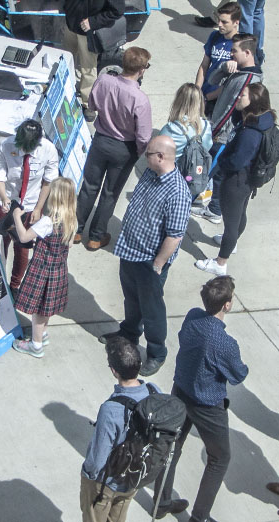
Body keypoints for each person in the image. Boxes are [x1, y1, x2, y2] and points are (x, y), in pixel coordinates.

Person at [153, 276, 248, 522]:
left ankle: (161, 503)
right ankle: (199, 517)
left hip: (181, 392)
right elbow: (238, 375)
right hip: (208, 406)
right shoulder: (225, 344)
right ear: (226, 305)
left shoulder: (193, 317)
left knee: (171, 449)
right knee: (219, 458)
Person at [99, 136, 191, 377]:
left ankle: (156, 352)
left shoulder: (178, 192)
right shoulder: (151, 174)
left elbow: (174, 235)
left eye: (149, 153)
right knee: (131, 299)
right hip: (130, 251)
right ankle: (128, 333)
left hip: (150, 262)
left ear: (161, 157)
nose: (145, 157)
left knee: (152, 311)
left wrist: (158, 264)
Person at [74, 47, 152, 251]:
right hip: (124, 149)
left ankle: (75, 229)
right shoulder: (140, 99)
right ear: (142, 70)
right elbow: (143, 136)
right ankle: (96, 236)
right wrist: (138, 151)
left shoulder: (104, 80)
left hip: (100, 140)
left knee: (89, 186)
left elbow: (92, 104)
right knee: (110, 193)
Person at [195, 83, 274, 276]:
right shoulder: (262, 120)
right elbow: (237, 119)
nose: (238, 98)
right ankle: (232, 242)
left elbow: (237, 160)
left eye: (243, 96)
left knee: (231, 222)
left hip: (236, 181)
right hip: (247, 181)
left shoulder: (250, 134)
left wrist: (222, 160)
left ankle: (220, 263)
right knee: (239, 215)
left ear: (253, 102)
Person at [80, 337, 162, 522]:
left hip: (106, 483)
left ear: (114, 371)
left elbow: (99, 457)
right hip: (132, 479)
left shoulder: (111, 410)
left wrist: (87, 475)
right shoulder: (153, 391)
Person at [192, 32, 262, 225]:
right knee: (217, 173)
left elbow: (232, 109)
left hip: (223, 135)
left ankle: (192, 203)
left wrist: (216, 133)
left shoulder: (249, 80)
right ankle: (214, 208)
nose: (231, 54)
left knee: (205, 172)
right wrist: (224, 67)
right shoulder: (237, 72)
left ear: (247, 53)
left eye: (234, 51)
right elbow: (213, 80)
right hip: (219, 131)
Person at [11, 177, 77, 358]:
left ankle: (36, 345)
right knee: (47, 306)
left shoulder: (48, 222)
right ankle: (43, 334)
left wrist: (17, 217)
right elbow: (69, 244)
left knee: (39, 310)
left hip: (42, 270)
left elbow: (24, 237)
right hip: (58, 270)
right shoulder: (71, 220)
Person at [0, 119, 59, 295]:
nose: (25, 151)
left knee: (22, 247)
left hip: (30, 205)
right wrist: (4, 198)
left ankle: (15, 285)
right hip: (6, 202)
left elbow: (48, 181)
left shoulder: (49, 150)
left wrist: (38, 208)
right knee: (1, 241)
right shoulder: (5, 145)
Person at [62, 0, 125, 122]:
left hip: (88, 32)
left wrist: (92, 22)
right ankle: (63, 91)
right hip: (70, 25)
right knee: (65, 61)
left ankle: (88, 104)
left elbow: (117, 10)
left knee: (88, 68)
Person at [195, 2, 240, 116]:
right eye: (219, 20)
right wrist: (197, 91)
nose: (219, 24)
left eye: (224, 22)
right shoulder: (214, 36)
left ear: (236, 23)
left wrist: (208, 97)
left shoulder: (240, 44)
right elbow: (204, 66)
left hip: (221, 100)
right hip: (204, 93)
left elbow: (235, 81)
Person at [159, 83, 213, 161]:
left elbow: (158, 152)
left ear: (178, 101)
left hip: (172, 170)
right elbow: (208, 146)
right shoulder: (206, 126)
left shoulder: (171, 128)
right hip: (194, 170)